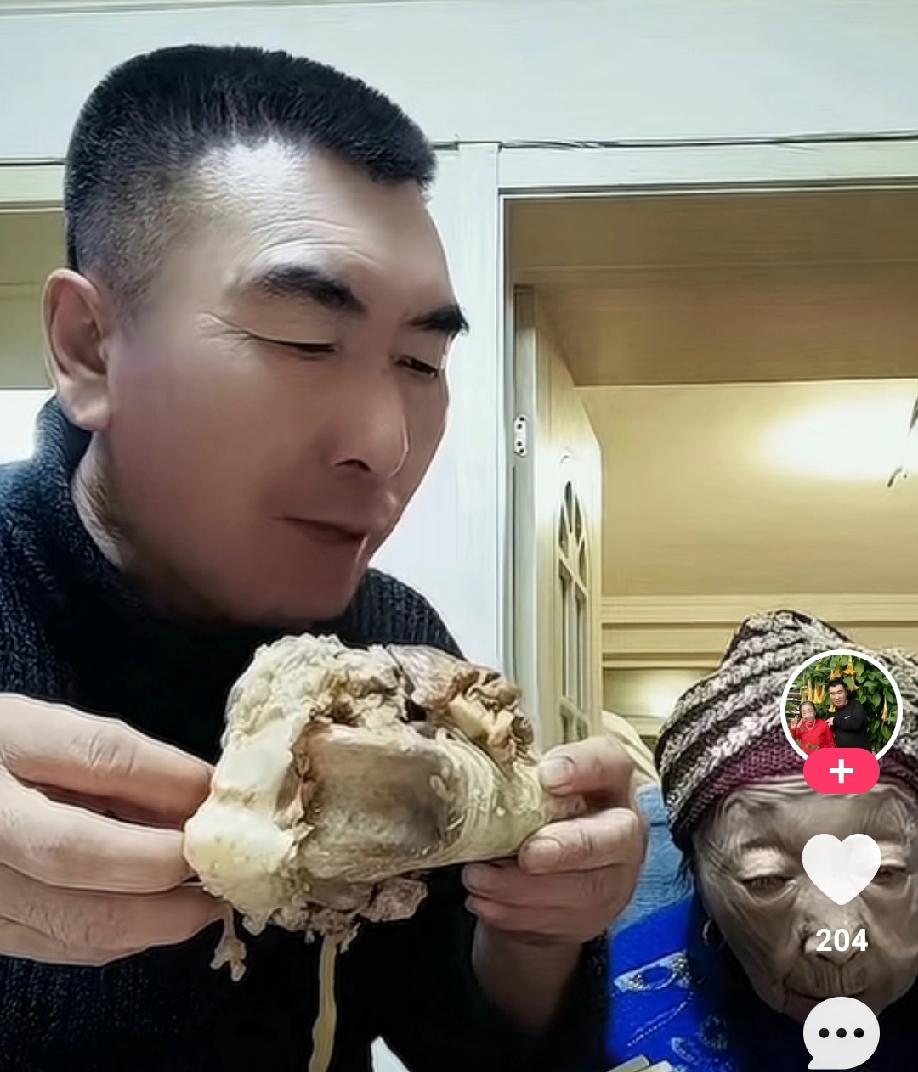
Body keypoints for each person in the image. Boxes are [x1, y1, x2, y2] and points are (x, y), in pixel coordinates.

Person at [0, 45, 644, 1072]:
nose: (387, 442)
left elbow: (464, 1044)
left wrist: (539, 933)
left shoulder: (397, 649)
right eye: (305, 339)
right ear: (88, 347)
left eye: (421, 361)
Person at [604, 610, 918, 1071]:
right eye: (767, 880)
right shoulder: (620, 1019)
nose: (838, 942)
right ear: (700, 881)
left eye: (884, 872)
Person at [827, 679, 871, 751]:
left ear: (846, 692)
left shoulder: (855, 705)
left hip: (860, 753)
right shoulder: (831, 711)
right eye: (832, 694)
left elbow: (857, 724)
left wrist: (835, 721)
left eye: (839, 692)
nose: (836, 697)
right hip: (841, 755)